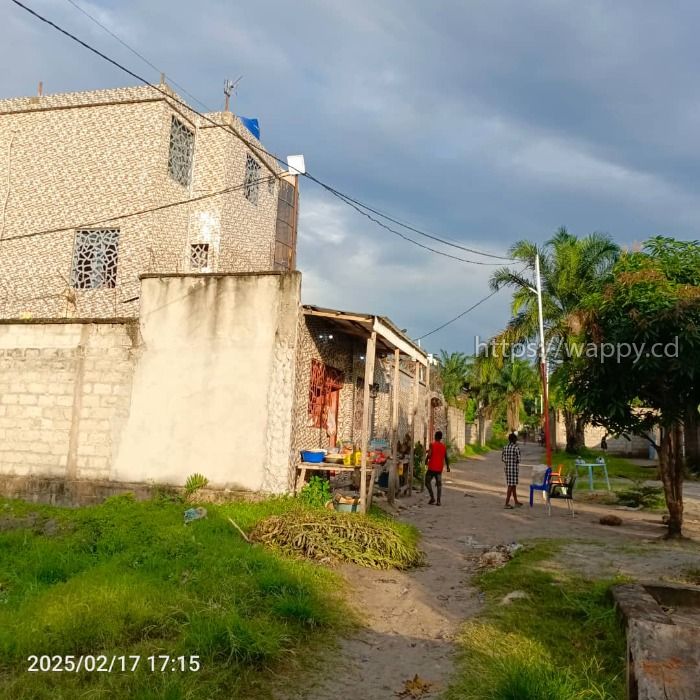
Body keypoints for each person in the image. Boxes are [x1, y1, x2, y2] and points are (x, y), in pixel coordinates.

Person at [425, 431, 450, 505]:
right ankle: (438, 501)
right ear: (441, 438)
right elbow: (446, 457)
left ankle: (432, 497)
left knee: (427, 482)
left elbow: (429, 455)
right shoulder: (443, 446)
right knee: (439, 484)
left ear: (435, 436)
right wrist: (448, 467)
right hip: (439, 468)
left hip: (432, 467)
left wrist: (426, 461)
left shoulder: (432, 444)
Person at [501, 432, 523, 509]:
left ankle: (516, 502)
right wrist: (514, 461)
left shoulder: (505, 447)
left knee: (513, 485)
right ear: (514, 440)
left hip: (507, 469)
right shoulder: (516, 448)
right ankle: (506, 503)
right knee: (511, 486)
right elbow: (519, 460)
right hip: (514, 469)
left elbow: (503, 459)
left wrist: (508, 461)